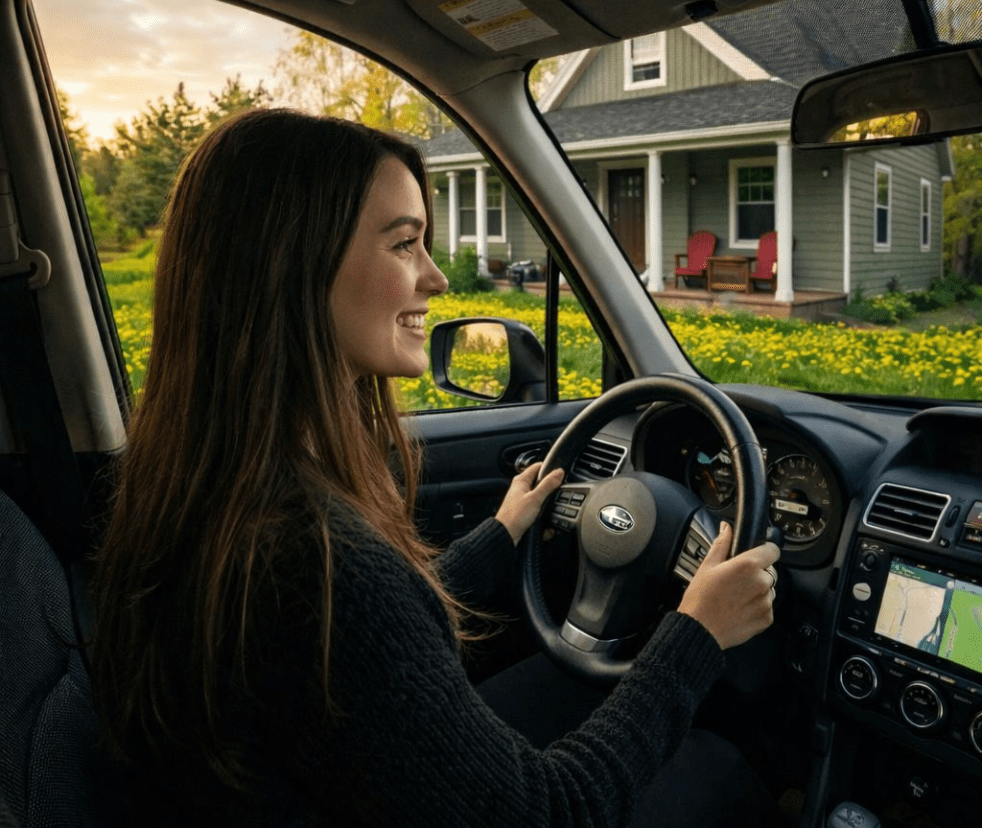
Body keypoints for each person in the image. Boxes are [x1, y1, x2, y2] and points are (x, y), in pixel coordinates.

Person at [90, 108, 782, 827]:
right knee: (714, 767)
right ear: (294, 262)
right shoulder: (318, 559)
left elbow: (373, 655)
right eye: (405, 244)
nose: (436, 277)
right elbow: (548, 813)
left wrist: (503, 534)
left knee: (575, 686)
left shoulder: (208, 486)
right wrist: (697, 633)